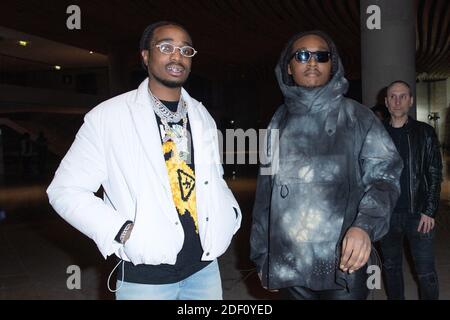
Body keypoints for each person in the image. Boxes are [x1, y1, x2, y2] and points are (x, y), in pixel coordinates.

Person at [47, 21, 241, 300]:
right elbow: (65, 191)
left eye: (185, 49)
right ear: (146, 56)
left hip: (205, 269)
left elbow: (215, 178)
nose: (177, 55)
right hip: (146, 276)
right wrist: (121, 231)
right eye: (166, 47)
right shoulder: (108, 117)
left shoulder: (201, 114)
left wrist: (230, 214)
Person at [250, 30, 403, 300]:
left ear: (332, 65)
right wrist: (263, 255)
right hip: (290, 263)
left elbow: (385, 177)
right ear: (289, 65)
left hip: (345, 262)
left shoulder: (358, 116)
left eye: (321, 56)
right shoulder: (278, 120)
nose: (312, 62)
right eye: (302, 55)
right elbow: (265, 194)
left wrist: (364, 226)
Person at [379, 80, 442, 300]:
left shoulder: (425, 133)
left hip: (418, 214)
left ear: (411, 101)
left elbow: (434, 173)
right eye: (393, 96)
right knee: (391, 268)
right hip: (387, 214)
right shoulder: (376, 134)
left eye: (403, 96)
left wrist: (430, 210)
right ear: (386, 102)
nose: (397, 101)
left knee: (426, 273)